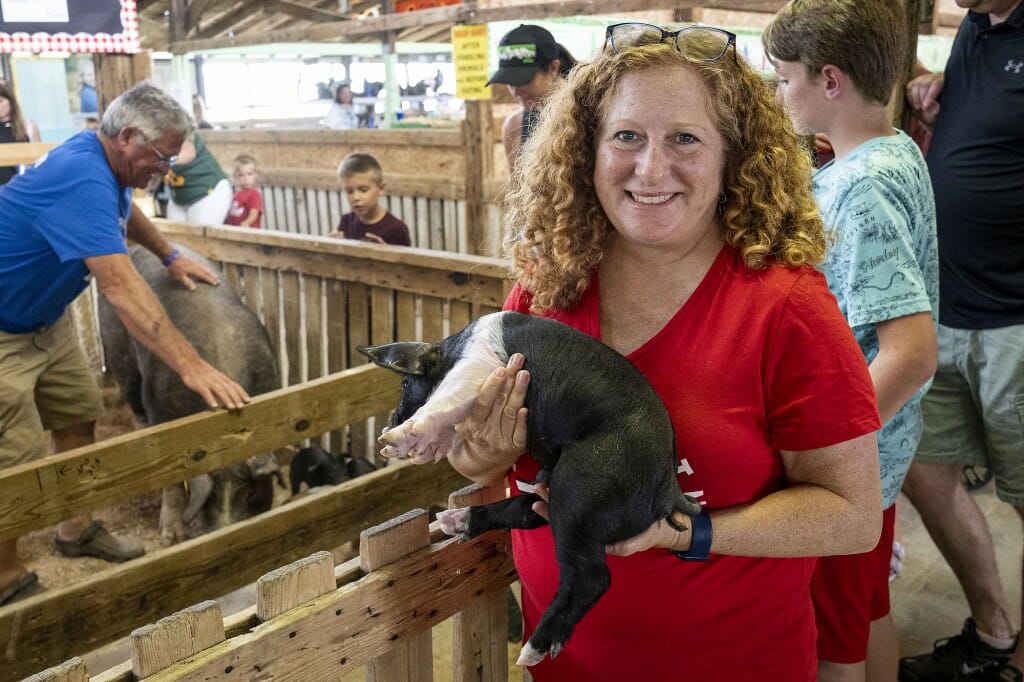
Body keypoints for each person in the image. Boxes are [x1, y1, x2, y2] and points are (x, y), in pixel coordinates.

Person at [444, 23, 883, 680]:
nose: (651, 169)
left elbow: (852, 516)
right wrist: (479, 453)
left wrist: (692, 531)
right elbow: (479, 459)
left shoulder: (786, 308)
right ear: (585, 153)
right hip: (565, 665)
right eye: (626, 136)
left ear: (733, 155)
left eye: (685, 138)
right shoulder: (544, 289)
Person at [0, 82, 251, 607]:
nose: (163, 171)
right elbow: (119, 288)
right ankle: (6, 577)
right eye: (159, 158)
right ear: (129, 136)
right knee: (12, 455)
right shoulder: (79, 175)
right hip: (3, 329)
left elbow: (124, 210)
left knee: (76, 416)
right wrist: (192, 366)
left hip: (45, 318)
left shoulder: (105, 162)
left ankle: (75, 530)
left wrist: (168, 254)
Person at [763, 2, 939, 680]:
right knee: (867, 612)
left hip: (851, 465)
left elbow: (912, 349)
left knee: (830, 646)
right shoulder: (892, 149)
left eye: (784, 79)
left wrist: (826, 445)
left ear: (829, 81)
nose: (782, 94)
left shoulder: (861, 187)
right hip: (883, 454)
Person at [896, 1, 1024, 680]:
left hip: (1015, 319)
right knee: (923, 464)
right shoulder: (980, 26)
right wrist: (925, 83)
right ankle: (996, 629)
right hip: (944, 304)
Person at [486, 24, 577, 173]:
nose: (515, 92)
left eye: (523, 80)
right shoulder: (515, 126)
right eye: (510, 82)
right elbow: (517, 190)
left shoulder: (591, 115)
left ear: (553, 68)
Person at [329, 153, 411, 246]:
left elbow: (406, 260)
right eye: (349, 191)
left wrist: (386, 252)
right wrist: (336, 247)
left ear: (381, 189)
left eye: (363, 190)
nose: (356, 198)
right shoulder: (346, 222)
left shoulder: (397, 229)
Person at [164, 131, 232, 225]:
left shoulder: (179, 124)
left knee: (201, 235)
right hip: (180, 194)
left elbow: (189, 154)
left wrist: (161, 162)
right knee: (173, 236)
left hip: (207, 190)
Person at [0, 81, 41, 186]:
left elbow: (39, 160)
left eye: (1, 101)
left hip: (22, 186)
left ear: (11, 101)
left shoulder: (28, 127)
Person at [224, 154, 263, 228]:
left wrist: (247, 222)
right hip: (233, 231)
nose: (246, 178)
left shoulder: (254, 194)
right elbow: (230, 214)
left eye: (249, 174)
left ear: (256, 175)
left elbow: (254, 212)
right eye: (241, 175)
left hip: (248, 232)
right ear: (236, 176)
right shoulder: (236, 195)